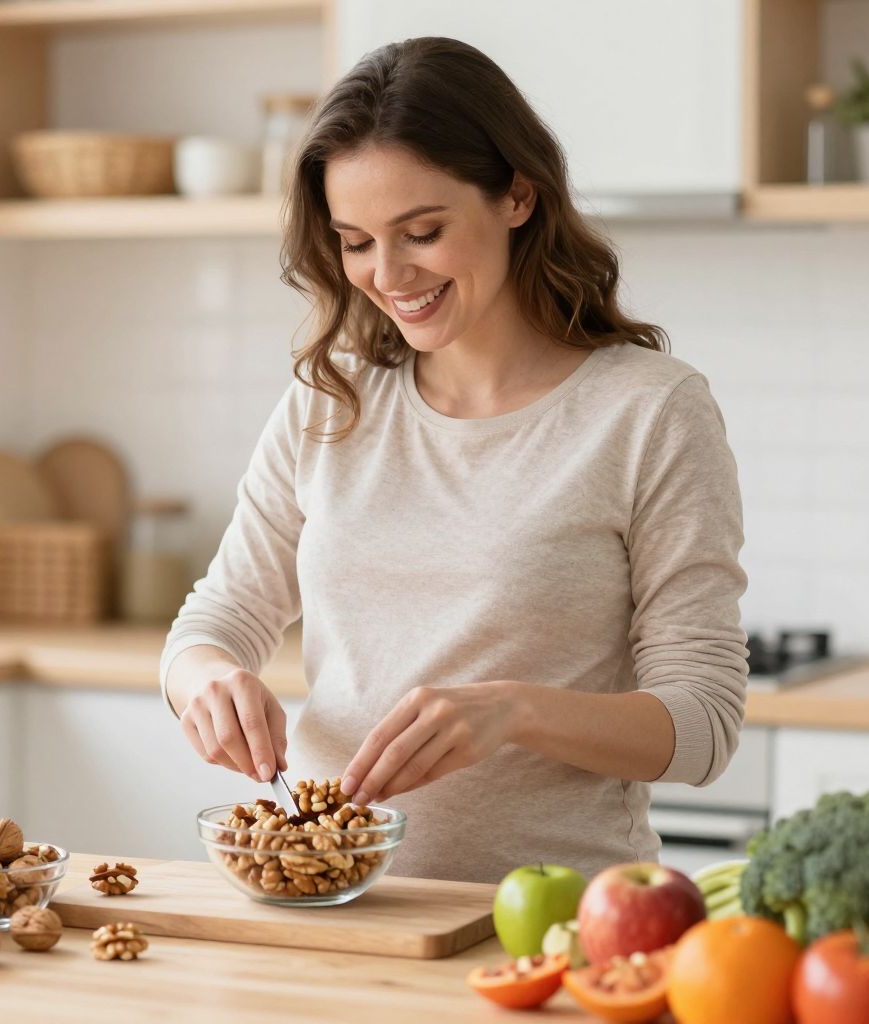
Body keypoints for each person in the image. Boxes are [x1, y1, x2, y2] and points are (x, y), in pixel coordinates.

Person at [159, 36, 748, 885]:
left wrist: (514, 711)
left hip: (550, 925)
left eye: (421, 232)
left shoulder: (648, 411)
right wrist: (208, 682)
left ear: (517, 195)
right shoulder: (331, 402)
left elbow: (703, 726)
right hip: (337, 903)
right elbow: (214, 623)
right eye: (355, 241)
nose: (387, 274)